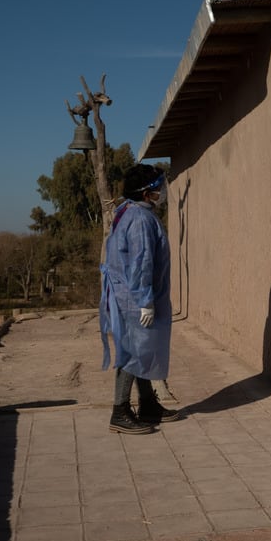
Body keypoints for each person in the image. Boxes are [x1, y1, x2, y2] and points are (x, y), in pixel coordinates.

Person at [100, 163, 182, 434]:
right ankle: (120, 411)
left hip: (128, 294)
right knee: (132, 352)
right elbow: (141, 262)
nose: (162, 192)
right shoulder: (140, 219)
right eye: (159, 187)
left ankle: (147, 405)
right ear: (147, 193)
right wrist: (144, 300)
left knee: (142, 351)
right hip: (134, 297)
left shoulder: (129, 212)